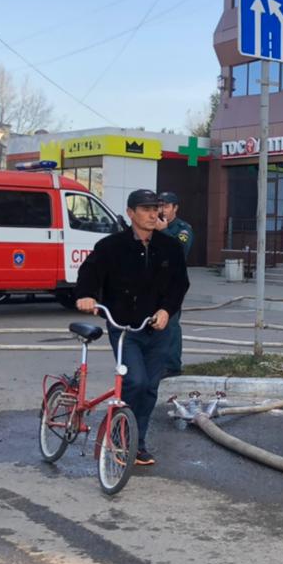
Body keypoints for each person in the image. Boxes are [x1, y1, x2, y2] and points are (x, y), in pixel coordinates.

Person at [75, 189, 189, 468]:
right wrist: (86, 294)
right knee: (135, 381)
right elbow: (89, 273)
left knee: (150, 387)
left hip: (159, 328)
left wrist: (166, 310)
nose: (153, 214)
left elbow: (179, 284)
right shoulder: (111, 246)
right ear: (130, 213)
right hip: (125, 327)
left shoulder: (170, 246)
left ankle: (137, 443)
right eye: (146, 209)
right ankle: (119, 436)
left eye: (156, 209)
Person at [157, 191, 193, 377]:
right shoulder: (151, 225)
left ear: (175, 208)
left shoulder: (182, 228)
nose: (161, 210)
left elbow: (179, 249)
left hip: (173, 282)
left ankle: (172, 366)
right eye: (159, 205)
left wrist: (163, 231)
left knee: (170, 323)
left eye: (166, 206)